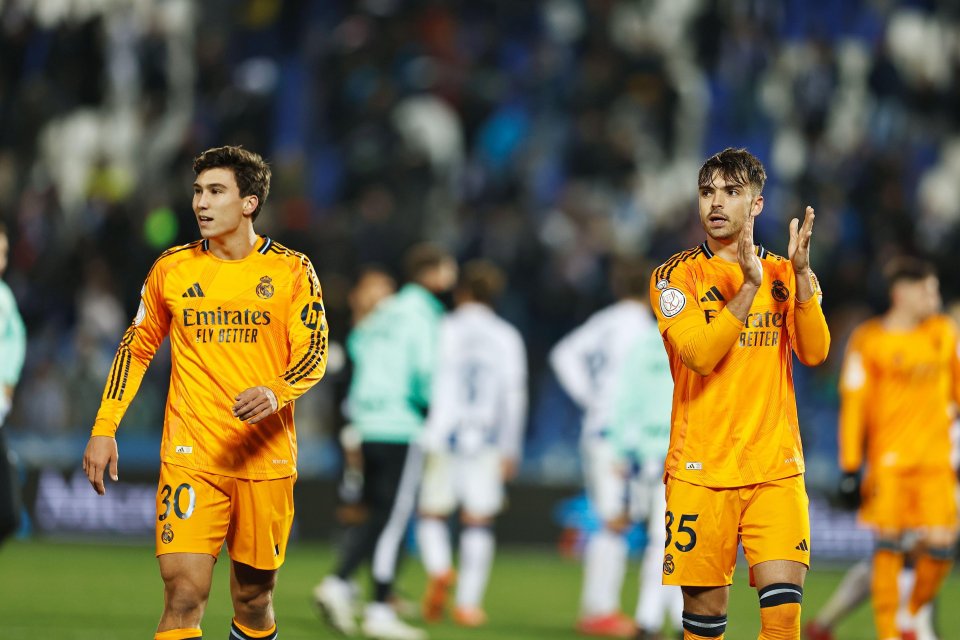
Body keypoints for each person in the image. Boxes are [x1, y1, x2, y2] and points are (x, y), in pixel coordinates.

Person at [82, 145, 329, 640]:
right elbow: (135, 349)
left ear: (249, 203)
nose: (201, 203)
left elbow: (314, 351)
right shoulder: (172, 269)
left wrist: (277, 391)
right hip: (190, 453)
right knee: (183, 594)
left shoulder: (292, 271)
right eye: (198, 191)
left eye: (216, 191)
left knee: (254, 599)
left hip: (265, 458)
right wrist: (104, 427)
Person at [649, 147, 830, 640]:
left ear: (756, 204)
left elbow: (814, 353)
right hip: (700, 471)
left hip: (774, 467)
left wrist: (801, 279)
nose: (716, 202)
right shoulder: (675, 276)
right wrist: (747, 289)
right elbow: (701, 357)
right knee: (705, 625)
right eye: (708, 191)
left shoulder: (784, 274)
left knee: (783, 617)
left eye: (731, 192)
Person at [314, 243, 457, 640]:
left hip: (367, 421)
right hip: (399, 423)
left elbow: (359, 346)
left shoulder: (387, 310)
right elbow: (424, 369)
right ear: (433, 274)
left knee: (377, 513)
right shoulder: (425, 313)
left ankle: (361, 594)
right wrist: (424, 405)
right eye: (447, 271)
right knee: (391, 520)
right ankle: (358, 595)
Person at [830, 257, 958, 640]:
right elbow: (854, 406)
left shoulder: (942, 333)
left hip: (935, 462)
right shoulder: (869, 340)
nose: (934, 297)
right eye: (928, 290)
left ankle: (914, 612)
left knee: (941, 545)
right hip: (889, 464)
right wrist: (851, 466)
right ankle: (889, 632)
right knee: (887, 546)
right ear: (902, 294)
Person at [550, 258, 659, 638]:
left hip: (602, 429)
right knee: (613, 519)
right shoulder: (646, 329)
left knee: (615, 518)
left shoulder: (605, 321)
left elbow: (562, 355)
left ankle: (601, 608)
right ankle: (599, 611)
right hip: (620, 433)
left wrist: (589, 397)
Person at [416, 259, 528, 628]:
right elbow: (515, 397)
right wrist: (511, 447)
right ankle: (468, 604)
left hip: (440, 432)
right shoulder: (507, 336)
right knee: (478, 520)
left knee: (432, 513)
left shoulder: (440, 328)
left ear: (462, 292)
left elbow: (421, 379)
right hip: (486, 436)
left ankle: (440, 568)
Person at [607, 289, 684, 640]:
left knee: (664, 540)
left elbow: (625, 402)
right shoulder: (693, 343)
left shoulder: (642, 345)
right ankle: (658, 620)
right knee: (672, 540)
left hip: (653, 454)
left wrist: (623, 450)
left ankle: (657, 619)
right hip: (682, 453)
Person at [0, 223, 27, 546]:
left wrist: (8, 382)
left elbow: (16, 342)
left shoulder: (4, 297)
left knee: (8, 514)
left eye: (4, 253)